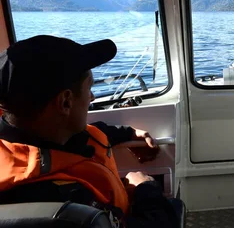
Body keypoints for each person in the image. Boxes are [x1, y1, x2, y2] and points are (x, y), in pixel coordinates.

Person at [0, 35, 178, 228]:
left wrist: (127, 133)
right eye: (89, 88)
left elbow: (85, 134)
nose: (92, 97)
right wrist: (146, 189)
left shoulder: (31, 134)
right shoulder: (65, 203)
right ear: (66, 102)